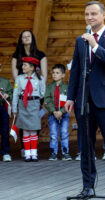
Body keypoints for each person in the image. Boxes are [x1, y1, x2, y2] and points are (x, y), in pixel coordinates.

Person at [65, 1, 105, 198]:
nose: (89, 17)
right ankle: (88, 186)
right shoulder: (79, 40)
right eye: (87, 14)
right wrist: (71, 97)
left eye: (93, 14)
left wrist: (95, 45)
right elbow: (76, 71)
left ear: (103, 15)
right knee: (85, 146)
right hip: (84, 100)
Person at [11, 30, 48, 158]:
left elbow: (43, 89)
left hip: (34, 101)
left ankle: (34, 152)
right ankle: (27, 152)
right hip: (23, 101)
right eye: (23, 36)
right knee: (25, 128)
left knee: (33, 127)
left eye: (29, 36)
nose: (26, 38)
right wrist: (15, 107)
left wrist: (40, 102)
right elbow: (16, 91)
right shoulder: (19, 75)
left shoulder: (40, 57)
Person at [44, 64, 72, 161]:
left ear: (63, 75)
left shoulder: (66, 87)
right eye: (53, 73)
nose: (54, 75)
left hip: (64, 114)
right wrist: (54, 111)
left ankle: (65, 152)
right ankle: (54, 153)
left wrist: (61, 111)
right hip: (53, 114)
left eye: (57, 73)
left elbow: (69, 100)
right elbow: (47, 100)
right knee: (53, 134)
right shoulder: (49, 87)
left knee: (64, 133)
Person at [0, 64, 13, 162]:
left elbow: (12, 93)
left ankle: (5, 153)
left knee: (4, 131)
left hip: (2, 108)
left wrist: (8, 95)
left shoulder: (5, 82)